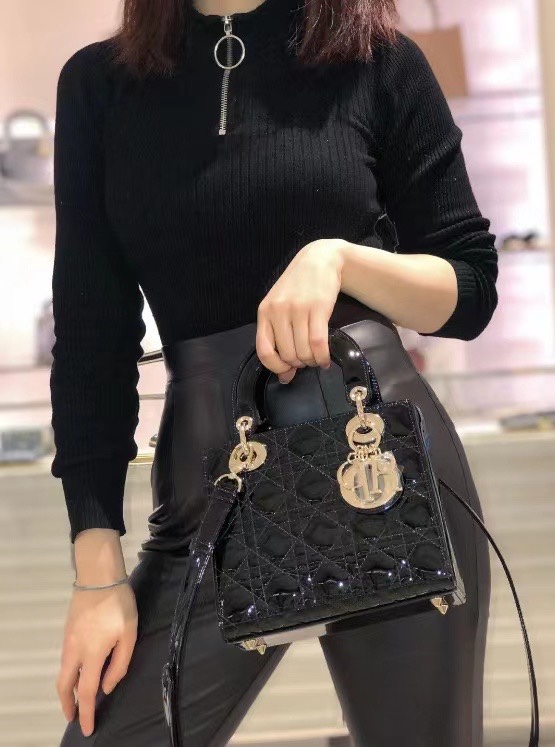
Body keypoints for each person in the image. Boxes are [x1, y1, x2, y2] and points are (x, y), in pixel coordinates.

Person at [50, 0, 498, 744]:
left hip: (379, 468)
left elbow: (470, 291)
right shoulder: (102, 85)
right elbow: (91, 342)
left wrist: (340, 259)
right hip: (211, 487)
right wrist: (97, 577)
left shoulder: (375, 61)